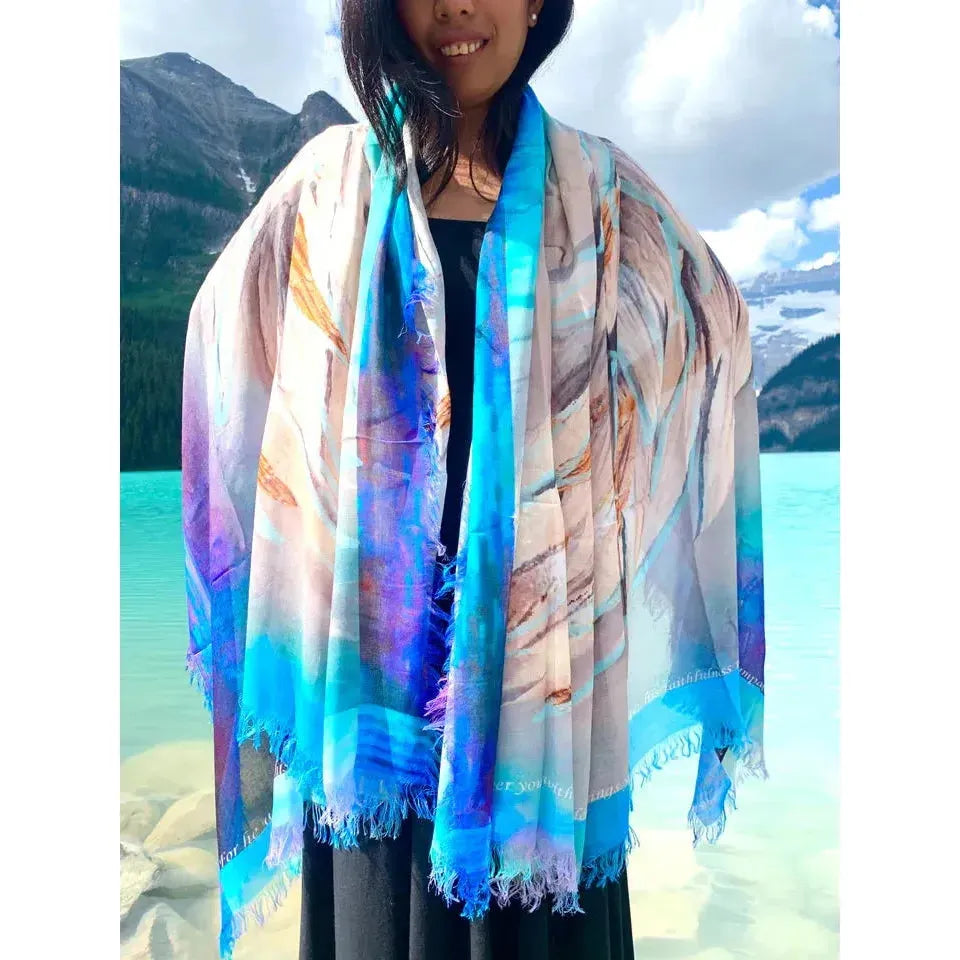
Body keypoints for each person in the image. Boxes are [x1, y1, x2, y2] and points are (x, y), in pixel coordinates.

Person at [180, 2, 767, 960]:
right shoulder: (330, 184)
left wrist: (607, 465)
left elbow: (717, 330)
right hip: (371, 706)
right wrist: (306, 499)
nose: (454, 7)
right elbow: (220, 336)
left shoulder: (601, 194)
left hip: (542, 701)